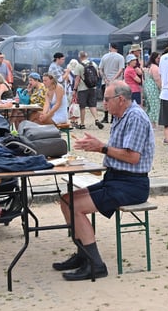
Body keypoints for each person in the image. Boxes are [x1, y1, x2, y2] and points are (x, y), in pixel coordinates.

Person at [54, 81, 155, 281]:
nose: (104, 103)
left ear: (121, 99)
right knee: (66, 200)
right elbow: (118, 150)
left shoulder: (135, 117)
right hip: (116, 179)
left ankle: (95, 265)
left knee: (74, 205)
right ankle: (83, 255)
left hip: (131, 184)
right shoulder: (121, 116)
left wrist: (101, 147)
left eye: (107, 99)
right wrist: (98, 146)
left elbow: (132, 157)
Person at [69, 51, 104, 130]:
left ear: (79, 57)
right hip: (93, 88)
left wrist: (74, 89)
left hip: (82, 89)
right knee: (92, 105)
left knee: (82, 106)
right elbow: (98, 75)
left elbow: (77, 79)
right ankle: (96, 119)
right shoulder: (94, 64)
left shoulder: (79, 66)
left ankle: (82, 123)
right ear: (87, 56)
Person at [98, 44, 125, 123]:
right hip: (117, 82)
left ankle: (105, 117)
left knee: (106, 100)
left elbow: (100, 69)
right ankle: (113, 117)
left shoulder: (104, 57)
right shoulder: (120, 57)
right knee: (115, 99)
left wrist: (105, 78)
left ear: (110, 48)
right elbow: (121, 70)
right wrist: (114, 78)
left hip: (105, 82)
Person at [142, 52, 161, 128]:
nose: (159, 60)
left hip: (147, 87)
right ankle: (152, 124)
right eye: (158, 58)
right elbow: (157, 79)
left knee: (149, 106)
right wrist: (161, 88)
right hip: (153, 88)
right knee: (154, 106)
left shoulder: (148, 66)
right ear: (154, 58)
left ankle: (148, 122)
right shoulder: (155, 68)